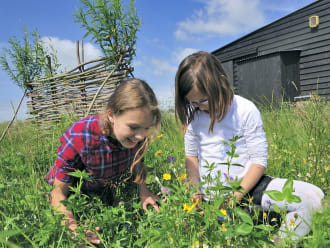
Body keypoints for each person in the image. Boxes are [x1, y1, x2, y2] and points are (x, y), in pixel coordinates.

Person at [174, 51, 324, 241]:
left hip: (247, 188)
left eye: (204, 100)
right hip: (213, 198)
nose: (200, 107)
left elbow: (259, 161)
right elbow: (192, 157)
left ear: (221, 81)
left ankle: (280, 243)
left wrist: (233, 199)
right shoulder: (193, 114)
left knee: (313, 197)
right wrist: (195, 193)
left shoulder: (245, 109)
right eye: (192, 102)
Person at [46, 78, 161, 246]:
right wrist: (73, 229)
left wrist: (143, 191)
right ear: (111, 115)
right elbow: (58, 194)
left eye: (146, 127)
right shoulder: (80, 136)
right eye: (133, 127)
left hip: (103, 188)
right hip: (75, 193)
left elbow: (138, 162)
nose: (141, 136)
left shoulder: (139, 137)